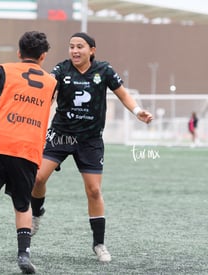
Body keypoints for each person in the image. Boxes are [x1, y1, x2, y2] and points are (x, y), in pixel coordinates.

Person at [30, 32, 153, 263]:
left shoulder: (104, 71)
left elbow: (123, 94)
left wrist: (138, 112)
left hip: (90, 140)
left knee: (94, 191)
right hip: (60, 135)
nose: (75, 51)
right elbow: (47, 92)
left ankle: (99, 244)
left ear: (92, 50)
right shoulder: (61, 70)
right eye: (71, 46)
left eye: (80, 47)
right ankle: (36, 213)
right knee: (37, 178)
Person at [0, 31, 57, 274]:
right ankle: (23, 254)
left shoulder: (4, 70)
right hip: (27, 148)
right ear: (43, 57)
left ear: (19, 53)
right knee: (23, 205)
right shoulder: (51, 83)